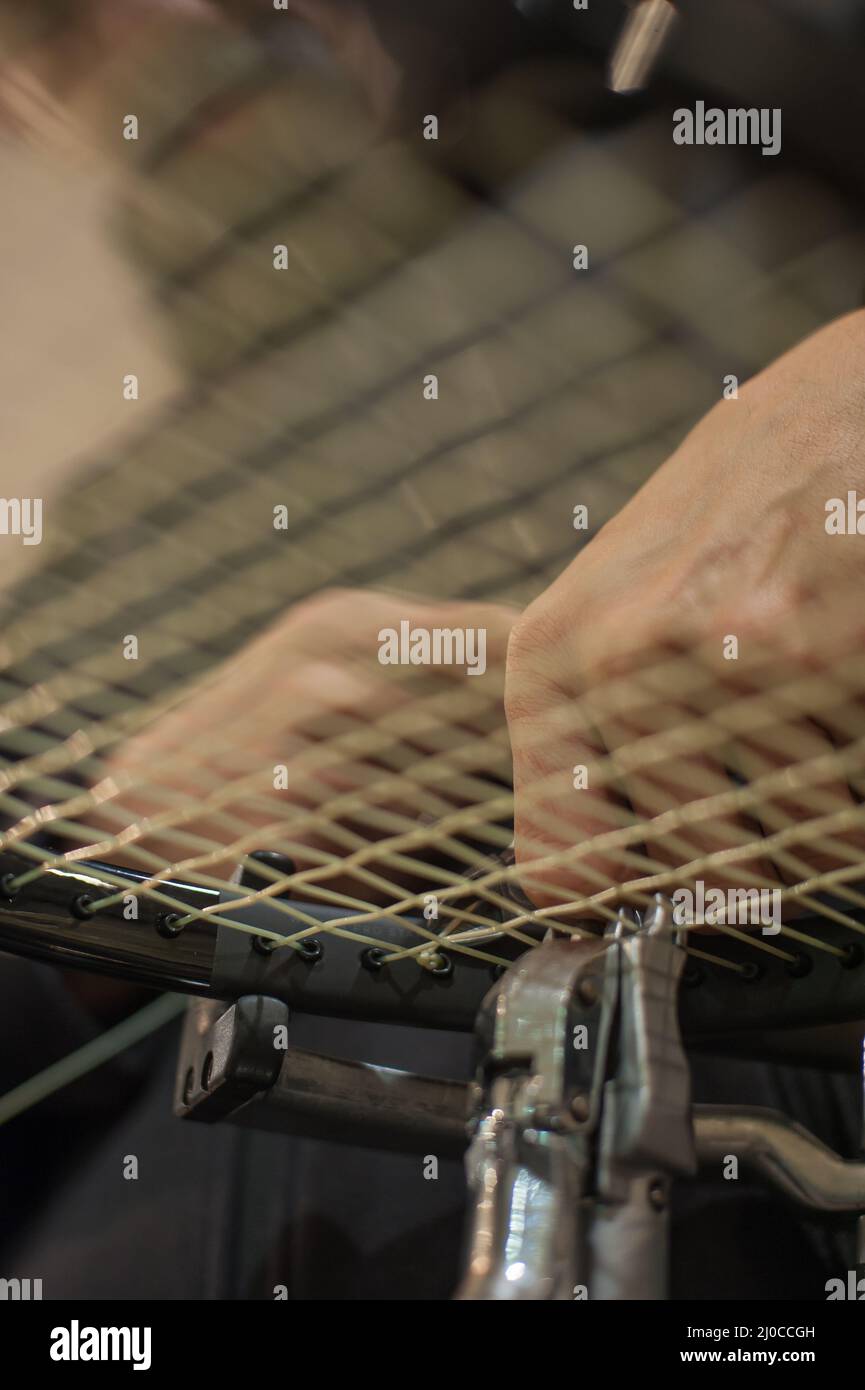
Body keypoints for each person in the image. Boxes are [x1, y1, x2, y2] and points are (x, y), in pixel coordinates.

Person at [0, 0, 864, 1298]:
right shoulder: (77, 578)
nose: (185, 21)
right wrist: (102, 890)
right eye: (72, 21)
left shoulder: (733, 149)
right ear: (23, 101)